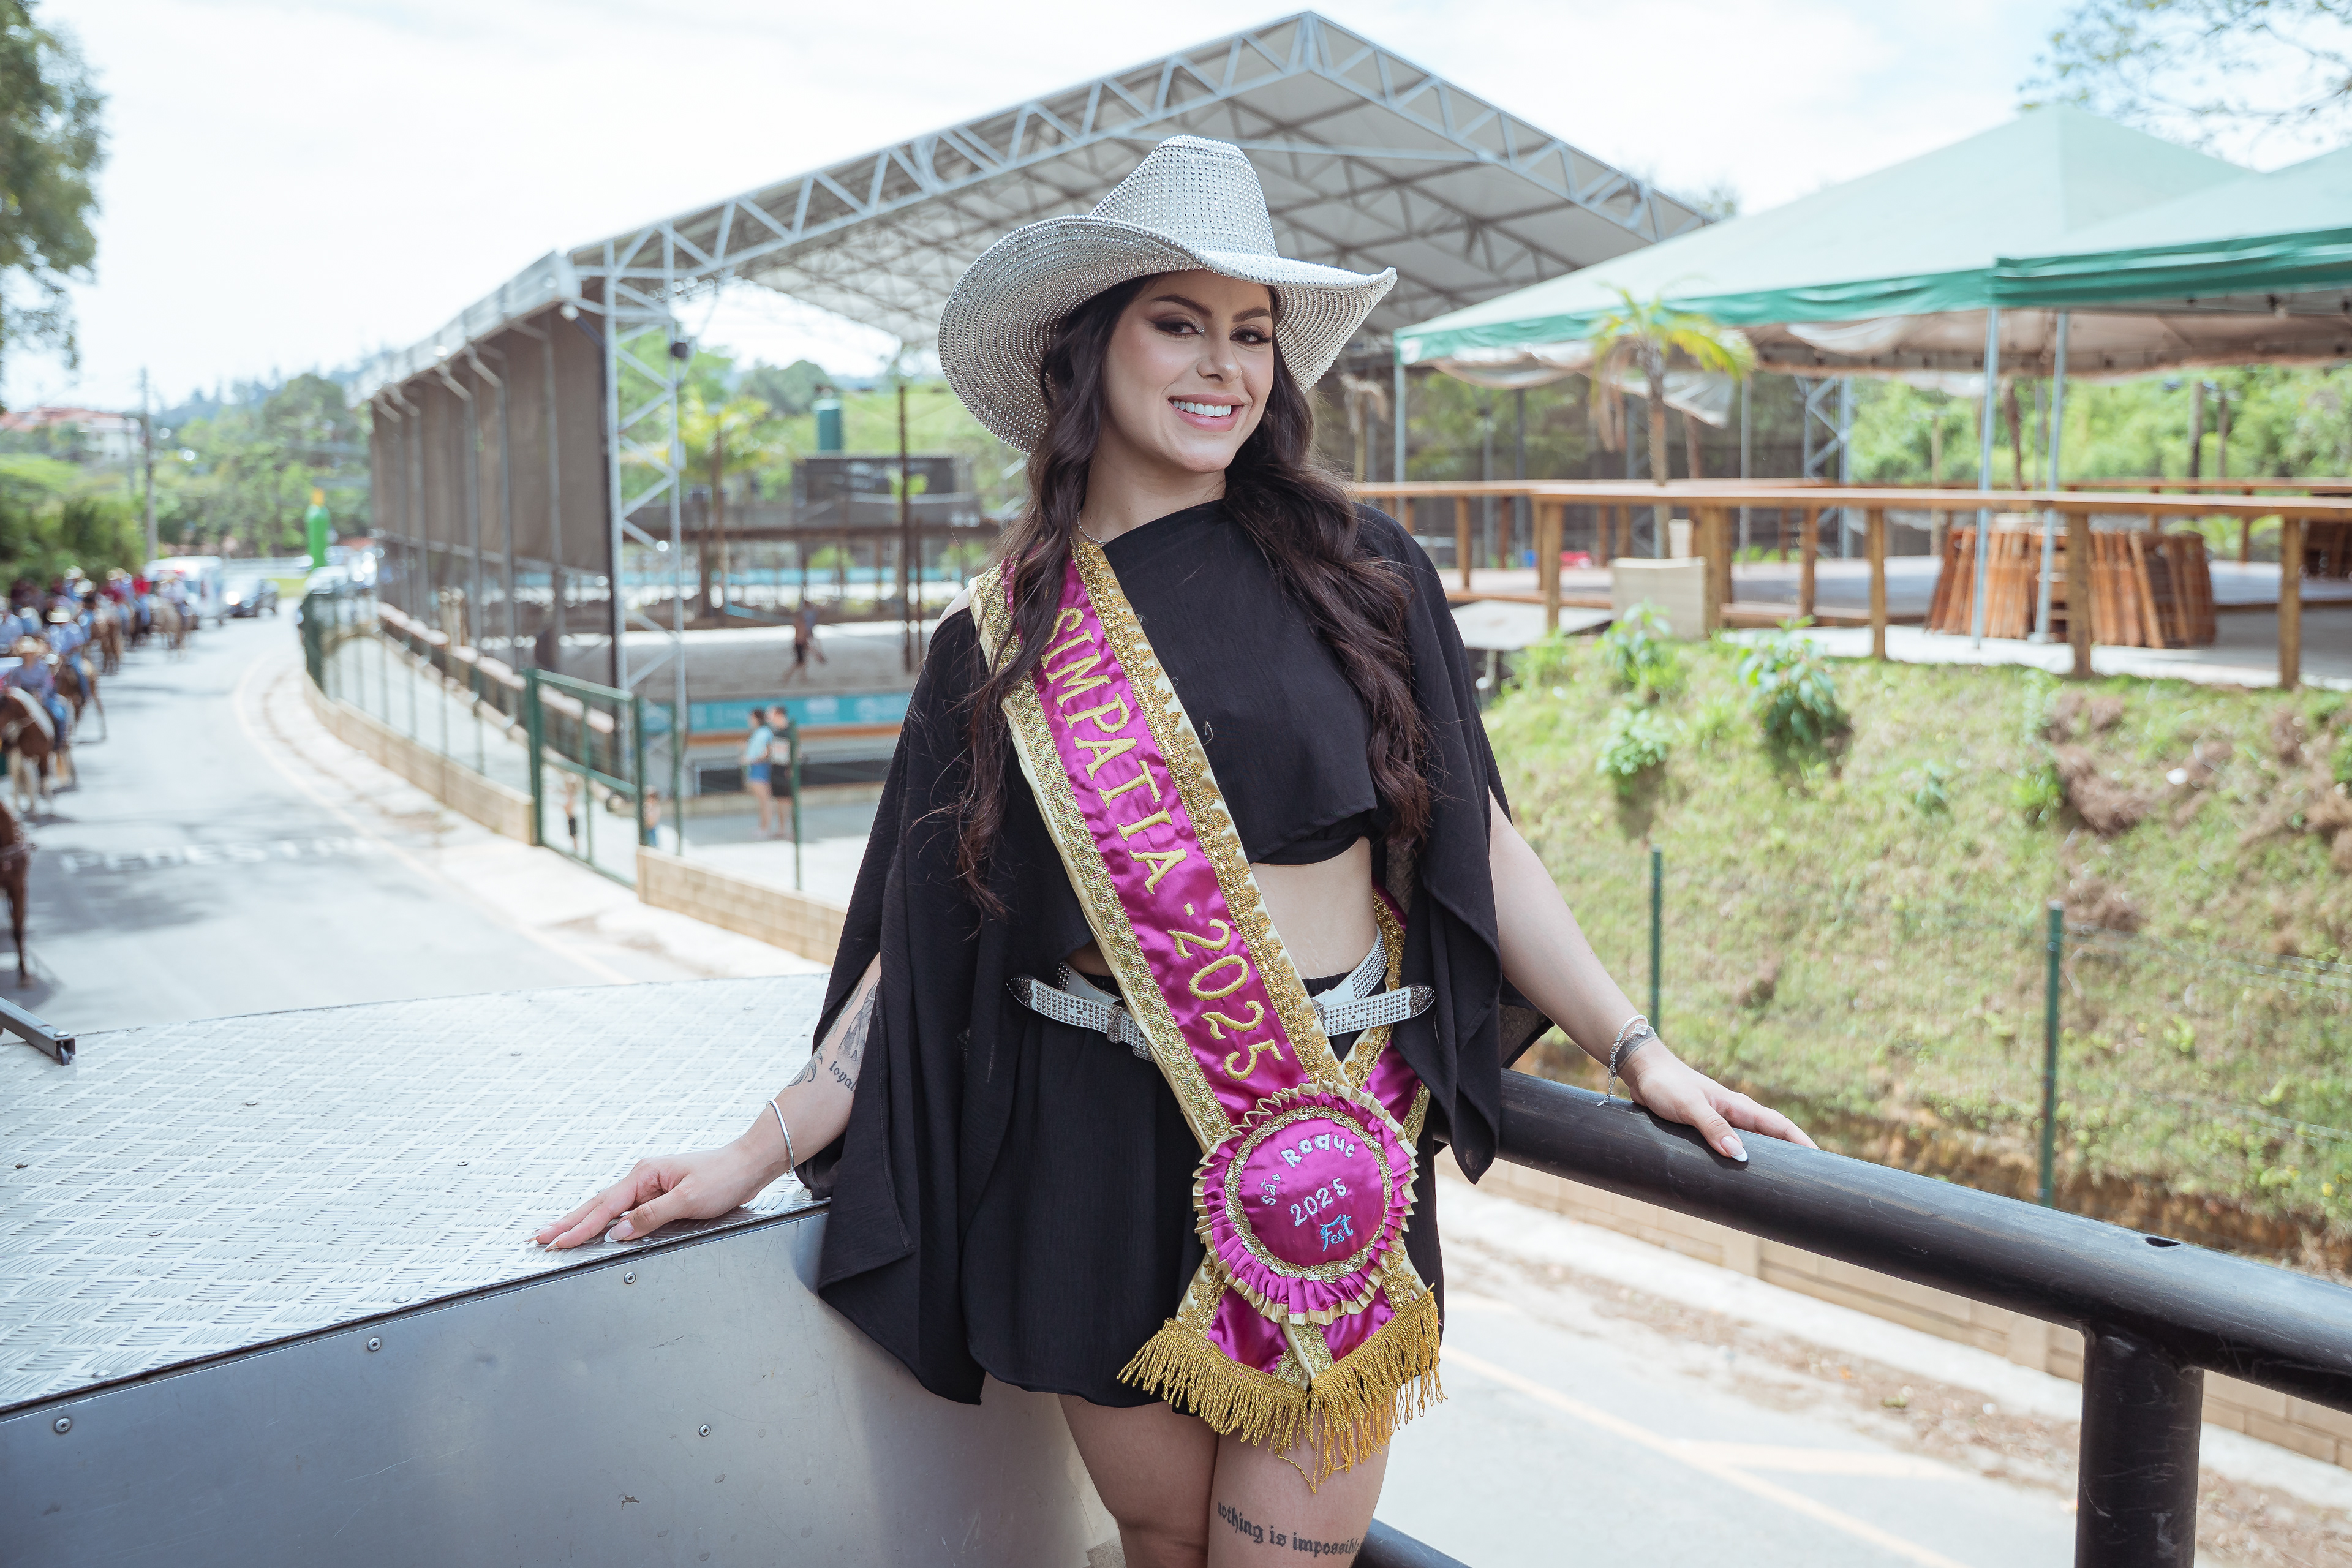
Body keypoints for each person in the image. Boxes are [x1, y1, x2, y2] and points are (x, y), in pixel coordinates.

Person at [536, 137, 1812, 1567]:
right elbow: (929, 936)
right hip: (1084, 1141)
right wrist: (752, 1147)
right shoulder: (999, 638)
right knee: (1159, 1539)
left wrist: (1636, 1048)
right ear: (1089, 350)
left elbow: (1480, 842)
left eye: (1251, 333)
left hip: (1319, 1129)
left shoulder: (1363, 573)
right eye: (1179, 323)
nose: (1223, 366)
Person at [742, 707, 780, 838]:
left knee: (765, 800)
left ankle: (766, 828)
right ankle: (762, 826)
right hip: (754, 768)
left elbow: (767, 752)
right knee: (762, 801)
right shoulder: (758, 732)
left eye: (751, 717)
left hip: (760, 769)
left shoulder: (764, 732)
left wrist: (751, 759)